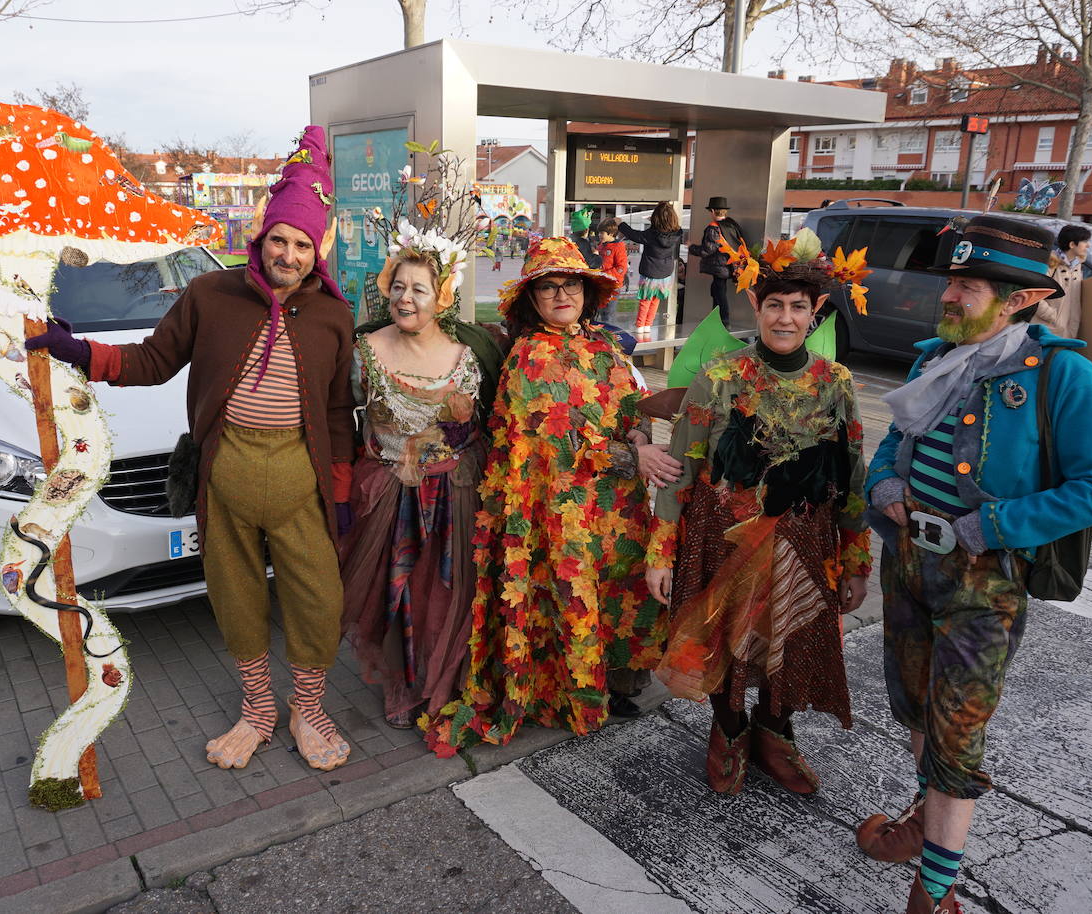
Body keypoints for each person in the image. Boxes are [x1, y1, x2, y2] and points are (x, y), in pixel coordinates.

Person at [26, 126, 357, 773]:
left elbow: (339, 411)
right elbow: (152, 360)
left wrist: (341, 491)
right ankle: (259, 710)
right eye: (279, 240)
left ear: (316, 251)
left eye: (302, 244)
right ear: (261, 238)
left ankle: (308, 708)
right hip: (225, 481)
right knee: (235, 600)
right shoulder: (211, 296)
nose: (288, 254)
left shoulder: (333, 317)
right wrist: (81, 353)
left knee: (320, 601)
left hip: (301, 486)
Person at [855, 215, 1092, 914]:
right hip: (909, 563)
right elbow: (899, 444)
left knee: (958, 729)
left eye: (966, 287)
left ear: (1015, 299)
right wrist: (883, 485)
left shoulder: (1060, 373)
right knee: (916, 708)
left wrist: (994, 524)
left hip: (986, 582)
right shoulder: (932, 359)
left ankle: (936, 892)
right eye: (950, 284)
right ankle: (925, 824)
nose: (947, 298)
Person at [421, 237, 681, 756]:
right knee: (572, 598)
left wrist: (640, 438)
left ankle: (611, 683)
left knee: (614, 593)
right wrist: (634, 456)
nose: (562, 294)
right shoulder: (530, 356)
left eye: (571, 284)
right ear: (533, 300)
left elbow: (627, 412)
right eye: (548, 287)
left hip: (616, 505)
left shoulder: (605, 346)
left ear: (587, 292)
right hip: (562, 509)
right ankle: (574, 696)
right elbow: (555, 442)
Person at [644, 233, 872, 796]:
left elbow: (853, 477)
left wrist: (858, 560)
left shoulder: (836, 383)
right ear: (756, 307)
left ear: (815, 312)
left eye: (798, 307)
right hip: (723, 538)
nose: (786, 317)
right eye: (775, 305)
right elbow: (679, 467)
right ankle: (727, 732)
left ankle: (776, 733)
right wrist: (660, 551)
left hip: (806, 540)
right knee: (729, 641)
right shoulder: (720, 376)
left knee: (788, 640)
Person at [339, 223, 507, 729]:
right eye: (397, 286)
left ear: (443, 296)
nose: (405, 298)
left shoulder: (475, 353)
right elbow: (339, 416)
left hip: (459, 493)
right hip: (391, 495)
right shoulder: (363, 353)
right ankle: (405, 682)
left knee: (452, 590)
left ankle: (449, 678)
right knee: (401, 592)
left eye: (418, 289)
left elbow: (498, 420)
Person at [618, 202, 684, 335]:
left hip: (650, 272)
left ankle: (640, 325)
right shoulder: (677, 233)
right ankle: (648, 325)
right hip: (665, 273)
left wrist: (620, 224)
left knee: (645, 299)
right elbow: (665, 231)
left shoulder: (652, 234)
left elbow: (634, 235)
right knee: (655, 299)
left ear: (656, 218)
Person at [688, 196, 749, 327]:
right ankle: (716, 318)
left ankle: (724, 320)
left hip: (719, 267)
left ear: (712, 210)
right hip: (731, 265)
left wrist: (691, 247)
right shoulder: (731, 224)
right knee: (716, 290)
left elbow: (707, 250)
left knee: (719, 292)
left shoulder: (714, 228)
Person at [1034, 224, 1090, 340]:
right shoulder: (1050, 263)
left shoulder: (1077, 265)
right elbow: (1035, 294)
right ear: (1072, 244)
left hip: (1069, 329)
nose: (1088, 245)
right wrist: (1053, 316)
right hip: (1047, 327)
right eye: (1084, 241)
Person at [595, 217, 628, 323]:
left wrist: (604, 274)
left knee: (608, 313)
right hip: (600, 284)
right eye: (599, 233)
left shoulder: (618, 247)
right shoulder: (601, 246)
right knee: (598, 311)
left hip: (612, 285)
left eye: (602, 233)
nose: (599, 235)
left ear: (611, 234)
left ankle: (610, 334)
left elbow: (621, 268)